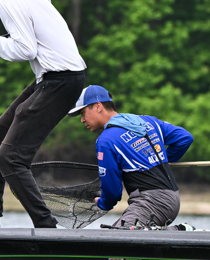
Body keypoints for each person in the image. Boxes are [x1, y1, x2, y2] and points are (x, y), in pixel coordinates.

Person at [0, 0, 87, 228]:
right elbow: (33, 41)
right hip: (58, 77)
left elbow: (26, 50)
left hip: (60, 80)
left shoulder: (7, 0)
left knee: (10, 158)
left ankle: (46, 226)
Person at [69, 85, 193, 228]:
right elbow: (184, 138)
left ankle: (181, 231)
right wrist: (161, 160)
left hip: (151, 203)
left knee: (117, 238)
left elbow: (112, 192)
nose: (82, 120)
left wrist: (103, 203)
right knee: (116, 235)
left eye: (83, 113)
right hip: (172, 197)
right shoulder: (147, 121)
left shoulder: (106, 141)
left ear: (98, 107)